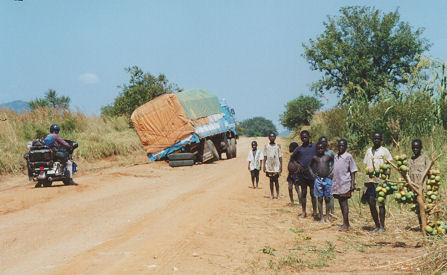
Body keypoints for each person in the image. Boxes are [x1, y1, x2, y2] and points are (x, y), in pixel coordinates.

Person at [363, 132, 392, 232]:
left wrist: (387, 179)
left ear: (381, 140)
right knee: (371, 203)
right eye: (374, 138)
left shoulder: (385, 151)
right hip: (370, 180)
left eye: (378, 138)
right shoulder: (368, 151)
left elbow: (389, 166)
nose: (376, 140)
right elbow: (366, 165)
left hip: (380, 180)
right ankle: (377, 225)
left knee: (381, 203)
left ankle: (382, 226)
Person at [332, 139, 358, 231]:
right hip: (337, 184)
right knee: (341, 203)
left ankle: (346, 224)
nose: (341, 147)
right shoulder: (336, 156)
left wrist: (352, 184)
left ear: (346, 147)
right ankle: (345, 223)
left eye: (343, 146)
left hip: (345, 183)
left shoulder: (348, 156)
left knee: (344, 203)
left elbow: (353, 171)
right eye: (339, 145)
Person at [290, 130, 317, 218]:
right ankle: (304, 212)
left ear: (309, 137)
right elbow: (292, 158)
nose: (304, 138)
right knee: (304, 193)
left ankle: (315, 212)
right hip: (302, 174)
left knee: (313, 194)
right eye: (302, 137)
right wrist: (297, 165)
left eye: (305, 137)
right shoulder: (299, 149)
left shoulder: (314, 147)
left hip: (313, 174)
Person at [407, 139, 431, 229]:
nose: (415, 149)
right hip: (413, 187)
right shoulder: (410, 160)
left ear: (421, 148)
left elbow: (429, 171)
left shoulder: (425, 158)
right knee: (418, 208)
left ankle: (426, 225)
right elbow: (406, 173)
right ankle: (422, 225)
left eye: (417, 147)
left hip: (423, 187)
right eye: (413, 148)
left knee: (424, 207)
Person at [308, 142, 334, 223]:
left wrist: (331, 172)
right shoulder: (315, 157)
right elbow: (309, 166)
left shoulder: (328, 157)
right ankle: (321, 217)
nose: (320, 150)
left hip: (327, 179)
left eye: (321, 148)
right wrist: (312, 174)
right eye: (318, 149)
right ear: (316, 149)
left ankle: (327, 216)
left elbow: (334, 162)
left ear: (324, 148)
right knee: (319, 198)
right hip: (318, 180)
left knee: (327, 198)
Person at [319, 136, 335, 215]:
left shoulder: (330, 152)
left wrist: (331, 172)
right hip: (320, 176)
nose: (323, 143)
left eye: (325, 141)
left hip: (328, 176)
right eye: (321, 141)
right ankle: (323, 213)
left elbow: (333, 163)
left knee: (330, 195)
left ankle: (332, 212)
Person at [263, 132, 282, 199]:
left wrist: (281, 166)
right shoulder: (266, 146)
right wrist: (264, 166)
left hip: (276, 166)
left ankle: (278, 194)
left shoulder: (277, 146)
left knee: (276, 180)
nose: (272, 138)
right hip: (269, 166)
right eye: (270, 136)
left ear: (275, 137)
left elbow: (280, 156)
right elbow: (265, 156)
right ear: (268, 137)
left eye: (273, 136)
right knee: (271, 180)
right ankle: (272, 194)